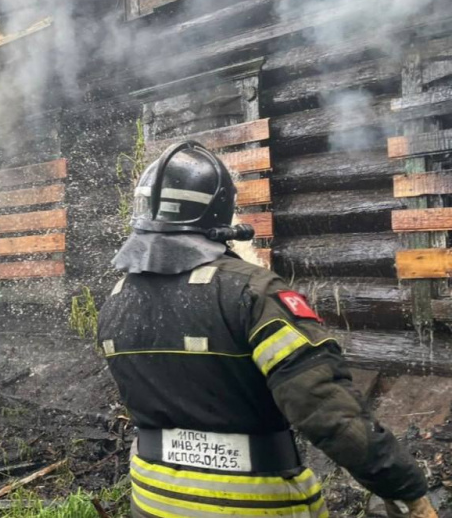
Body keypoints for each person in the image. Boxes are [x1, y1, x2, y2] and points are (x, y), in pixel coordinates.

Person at [98, 141, 437, 518]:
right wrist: (404, 487)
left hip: (151, 499)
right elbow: (323, 406)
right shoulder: (251, 291)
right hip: (255, 503)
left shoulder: (116, 299)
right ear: (219, 211)